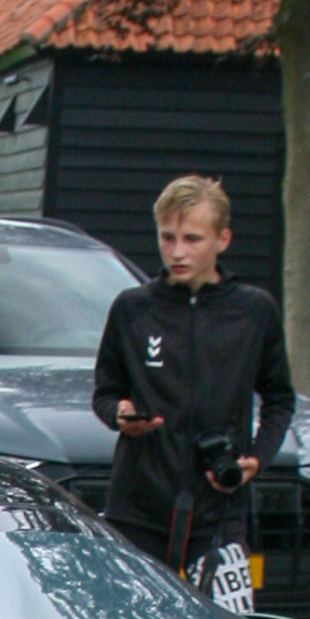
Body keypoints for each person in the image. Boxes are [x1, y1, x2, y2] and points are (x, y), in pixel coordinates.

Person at [89, 175, 294, 584]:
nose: (177, 252)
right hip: (138, 509)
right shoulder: (132, 309)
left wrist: (256, 457)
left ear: (223, 239)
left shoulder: (255, 312)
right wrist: (120, 414)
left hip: (219, 509)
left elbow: (279, 398)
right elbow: (105, 392)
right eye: (167, 237)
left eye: (192, 239)